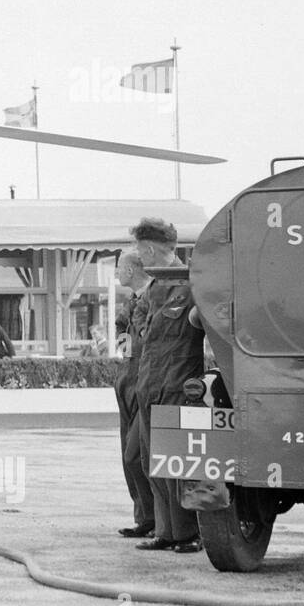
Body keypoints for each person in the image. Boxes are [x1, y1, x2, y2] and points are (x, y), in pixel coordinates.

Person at [128, 217, 204, 554]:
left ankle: (190, 533)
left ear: (149, 248)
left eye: (141, 252)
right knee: (152, 462)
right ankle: (166, 531)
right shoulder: (155, 288)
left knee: (180, 464)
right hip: (150, 385)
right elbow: (141, 327)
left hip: (177, 386)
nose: (139, 259)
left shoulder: (192, 284)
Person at [112, 248, 154, 538]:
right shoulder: (133, 300)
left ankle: (154, 519)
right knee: (129, 455)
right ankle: (144, 518)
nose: (116, 272)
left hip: (144, 382)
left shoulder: (153, 297)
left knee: (136, 455)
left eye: (119, 267)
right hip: (128, 380)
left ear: (131, 270)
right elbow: (124, 340)